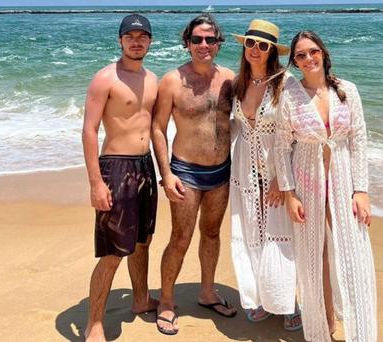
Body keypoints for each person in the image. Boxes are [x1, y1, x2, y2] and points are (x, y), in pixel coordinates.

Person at [275, 30, 377, 342]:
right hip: (308, 178)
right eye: (300, 55)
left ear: (323, 52)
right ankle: (323, 328)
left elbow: (358, 140)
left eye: (312, 51)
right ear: (294, 61)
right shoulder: (290, 96)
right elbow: (281, 147)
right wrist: (290, 194)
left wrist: (361, 189)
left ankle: (361, 332)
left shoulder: (347, 90)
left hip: (344, 178)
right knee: (314, 255)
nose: (308, 59)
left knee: (353, 253)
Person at [151, 13, 236, 336]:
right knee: (181, 237)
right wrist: (166, 173)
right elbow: (158, 129)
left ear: (218, 43)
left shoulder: (229, 78)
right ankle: (167, 302)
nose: (204, 45)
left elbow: (251, 116)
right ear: (187, 43)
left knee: (212, 234)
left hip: (222, 171)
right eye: (197, 39)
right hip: (185, 172)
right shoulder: (172, 80)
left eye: (210, 39)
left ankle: (207, 292)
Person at [81, 14, 159, 342]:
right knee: (113, 251)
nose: (136, 41)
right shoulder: (105, 78)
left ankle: (140, 300)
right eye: (130, 36)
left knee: (143, 241)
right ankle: (94, 323)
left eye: (142, 36)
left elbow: (155, 127)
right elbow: (89, 130)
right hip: (116, 167)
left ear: (150, 41)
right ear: (120, 40)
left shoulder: (153, 79)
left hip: (145, 166)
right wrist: (96, 183)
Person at [229, 19, 301, 331]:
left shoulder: (286, 83)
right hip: (245, 173)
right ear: (244, 46)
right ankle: (265, 299)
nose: (255, 50)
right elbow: (236, 128)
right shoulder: (239, 83)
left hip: (276, 174)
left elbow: (296, 134)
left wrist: (280, 180)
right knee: (252, 235)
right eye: (250, 43)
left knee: (280, 238)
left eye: (263, 45)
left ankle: (290, 304)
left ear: (272, 50)